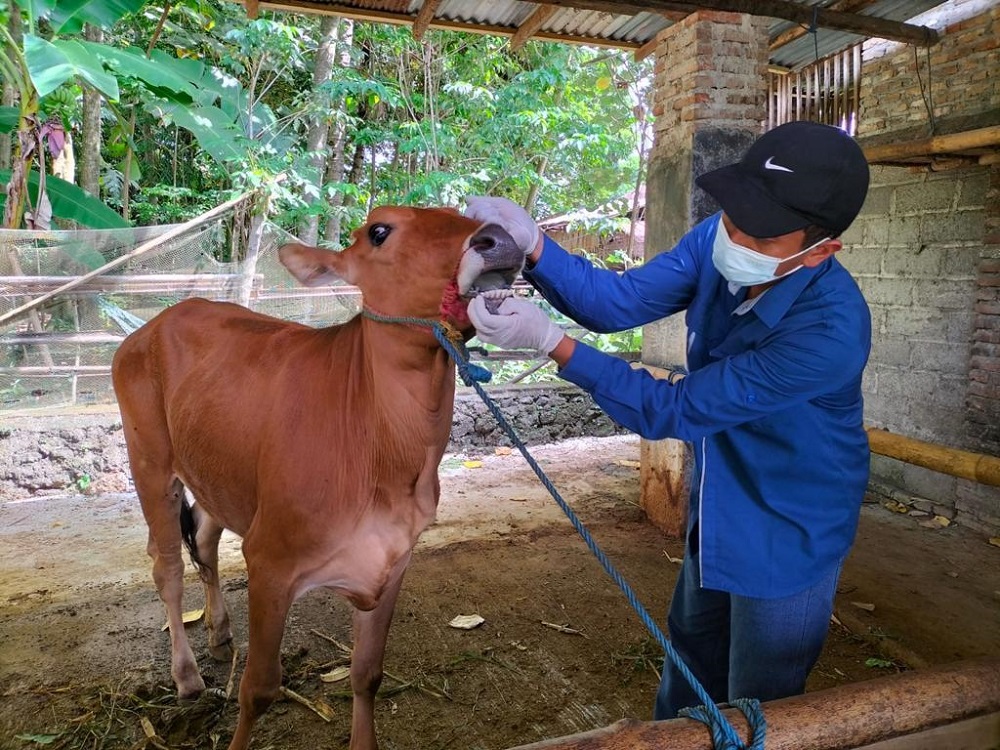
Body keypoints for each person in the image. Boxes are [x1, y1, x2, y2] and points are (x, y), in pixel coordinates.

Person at [465, 121, 872, 719]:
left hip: (789, 519)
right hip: (719, 496)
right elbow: (620, 301)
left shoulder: (828, 332)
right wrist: (536, 248)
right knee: (690, 656)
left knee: (760, 694)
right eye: (735, 216)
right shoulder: (719, 239)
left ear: (821, 250)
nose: (736, 236)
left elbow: (675, 409)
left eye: (761, 233)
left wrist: (552, 343)